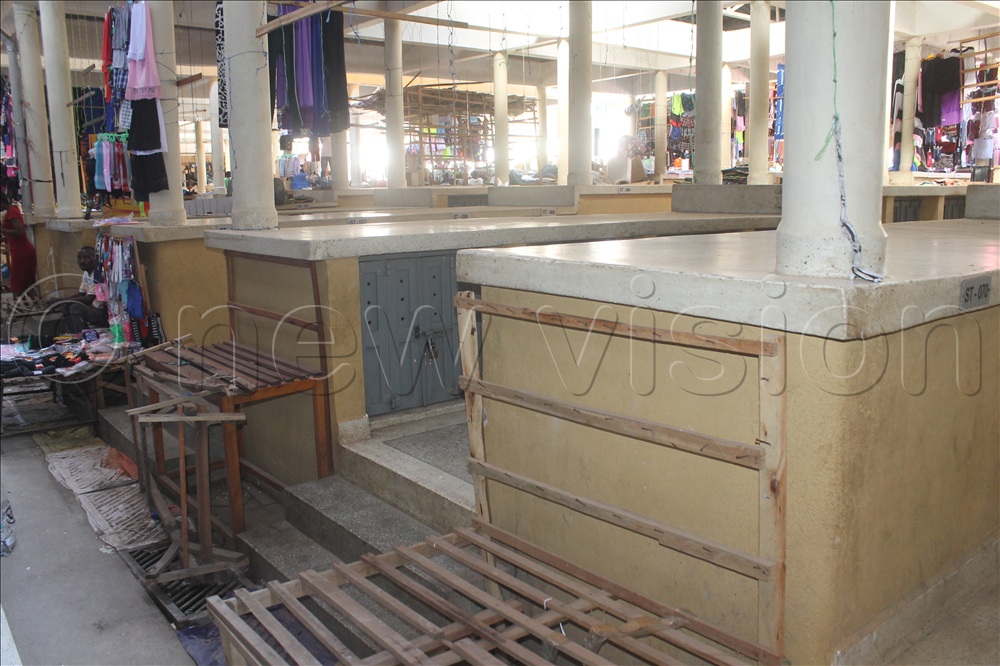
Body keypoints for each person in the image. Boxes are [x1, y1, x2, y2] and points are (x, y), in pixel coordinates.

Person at [58, 246, 108, 334]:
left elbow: (88, 299)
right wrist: (62, 302)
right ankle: (74, 336)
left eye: (86, 258)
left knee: (76, 307)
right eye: (79, 258)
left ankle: (83, 338)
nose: (82, 261)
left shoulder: (98, 274)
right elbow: (81, 294)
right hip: (92, 310)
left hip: (102, 313)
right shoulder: (86, 273)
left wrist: (61, 300)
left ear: (95, 259)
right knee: (66, 306)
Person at [0, 192, 37, 300]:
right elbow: (13, 234)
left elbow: (19, 231)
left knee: (16, 284)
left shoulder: (12, 212)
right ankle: (35, 307)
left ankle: (18, 309)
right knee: (27, 285)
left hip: (22, 252)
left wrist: (1, 229)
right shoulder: (12, 211)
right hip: (19, 251)